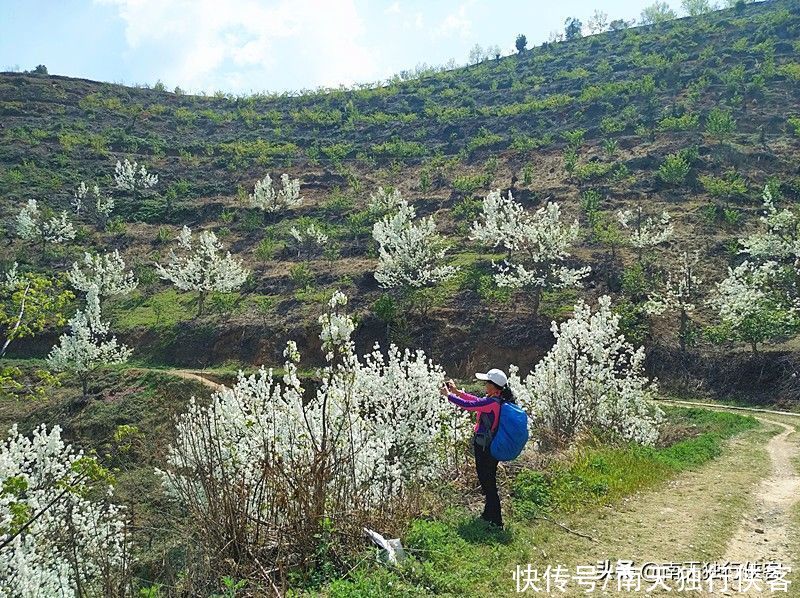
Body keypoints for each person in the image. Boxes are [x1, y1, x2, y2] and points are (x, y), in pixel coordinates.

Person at [440, 368, 515, 529]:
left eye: (487, 382)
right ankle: (489, 514)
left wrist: (448, 396)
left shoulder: (491, 403)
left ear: (494, 386)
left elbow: (469, 405)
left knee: (488, 482)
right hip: (489, 446)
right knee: (488, 481)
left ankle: (496, 521)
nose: (484, 385)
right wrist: (457, 392)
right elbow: (475, 400)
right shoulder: (496, 400)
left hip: (485, 448)